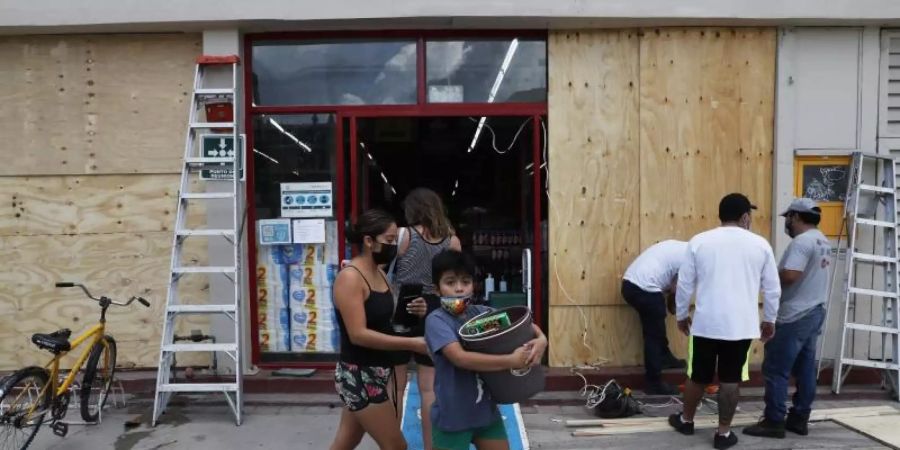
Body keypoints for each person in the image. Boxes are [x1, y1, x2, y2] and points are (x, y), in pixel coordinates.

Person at [669, 193, 781, 450]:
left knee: (698, 376)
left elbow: (685, 284)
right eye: (749, 215)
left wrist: (682, 315)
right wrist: (769, 320)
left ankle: (686, 421)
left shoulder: (699, 242)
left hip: (706, 324)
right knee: (730, 380)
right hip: (740, 327)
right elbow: (772, 289)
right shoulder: (760, 245)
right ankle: (723, 433)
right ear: (744, 217)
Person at [425, 250, 547, 450]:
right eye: (450, 282)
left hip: (486, 414)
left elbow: (522, 325)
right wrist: (510, 361)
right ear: (436, 289)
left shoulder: (481, 315)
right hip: (453, 417)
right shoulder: (437, 320)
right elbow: (459, 358)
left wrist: (541, 340)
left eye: (465, 282)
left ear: (474, 285)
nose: (459, 289)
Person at [329, 209, 429, 450]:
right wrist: (412, 343)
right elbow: (358, 334)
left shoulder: (381, 274)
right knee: (396, 446)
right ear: (368, 241)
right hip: (358, 375)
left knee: (346, 441)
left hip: (378, 370)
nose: (395, 247)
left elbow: (386, 320)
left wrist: (416, 310)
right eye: (390, 241)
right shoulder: (350, 278)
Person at [744, 198, 831, 439]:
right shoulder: (822, 239)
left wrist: (768, 274)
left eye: (788, 218)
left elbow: (791, 275)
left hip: (794, 315)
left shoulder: (801, 243)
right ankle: (799, 418)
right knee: (804, 368)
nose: (787, 223)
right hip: (814, 311)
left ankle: (774, 420)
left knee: (775, 369)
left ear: (797, 216)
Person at [391, 188, 461, 450]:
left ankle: (392, 444)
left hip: (402, 304)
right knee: (429, 388)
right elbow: (456, 284)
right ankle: (431, 447)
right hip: (435, 307)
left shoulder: (403, 235)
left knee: (396, 387)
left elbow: (384, 268)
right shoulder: (452, 241)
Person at [622, 239, 689, 395]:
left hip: (631, 284)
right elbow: (678, 287)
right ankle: (653, 382)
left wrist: (673, 301)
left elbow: (673, 283)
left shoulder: (682, 248)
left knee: (656, 325)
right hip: (643, 287)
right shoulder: (691, 258)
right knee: (653, 334)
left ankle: (665, 357)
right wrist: (681, 311)